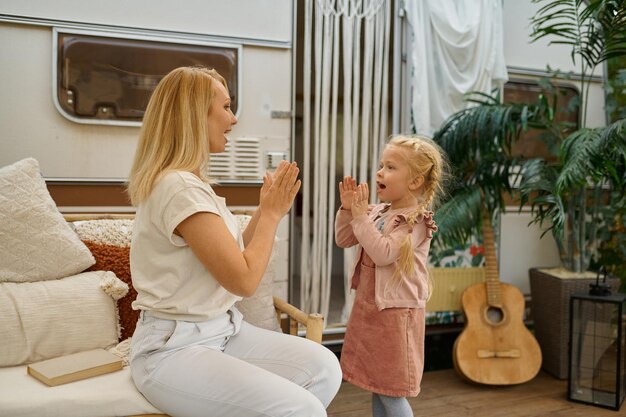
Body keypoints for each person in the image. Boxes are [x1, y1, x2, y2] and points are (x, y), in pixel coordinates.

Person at [126, 66, 342, 417]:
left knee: (324, 368)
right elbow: (243, 280)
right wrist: (271, 216)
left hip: (223, 330)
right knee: (303, 409)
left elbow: (231, 255)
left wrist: (266, 210)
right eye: (226, 107)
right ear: (195, 115)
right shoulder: (177, 187)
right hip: (174, 348)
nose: (234, 118)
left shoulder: (190, 183)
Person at [335, 135, 448, 417]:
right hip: (372, 310)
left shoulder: (416, 221)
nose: (379, 172)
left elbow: (384, 253)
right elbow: (344, 238)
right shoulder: (378, 212)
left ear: (415, 181)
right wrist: (350, 210)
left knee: (391, 391)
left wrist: (361, 218)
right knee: (378, 384)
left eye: (390, 167)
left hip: (397, 316)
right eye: (381, 165)